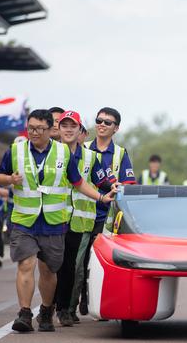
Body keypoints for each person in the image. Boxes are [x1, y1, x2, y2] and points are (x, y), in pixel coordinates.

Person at [0, 109, 117, 333]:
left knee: (49, 271)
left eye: (39, 129)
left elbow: (78, 182)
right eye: (31, 128)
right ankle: (24, 313)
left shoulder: (63, 153)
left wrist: (101, 196)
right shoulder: (15, 150)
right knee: (26, 264)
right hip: (24, 220)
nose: (34, 132)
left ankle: (45, 310)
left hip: (53, 222)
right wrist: (9, 179)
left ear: (50, 129)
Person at [53, 110, 116, 326]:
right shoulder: (51, 153)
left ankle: (66, 309)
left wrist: (113, 188)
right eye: (64, 125)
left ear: (81, 131)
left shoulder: (91, 157)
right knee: (54, 266)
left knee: (75, 268)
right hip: (53, 220)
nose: (69, 130)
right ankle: (52, 305)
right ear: (58, 129)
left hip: (80, 223)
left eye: (73, 126)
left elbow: (103, 181)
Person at [78, 107, 135, 315]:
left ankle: (89, 300)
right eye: (99, 120)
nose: (101, 125)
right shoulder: (81, 147)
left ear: (116, 128)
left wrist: (117, 185)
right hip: (79, 214)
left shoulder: (120, 153)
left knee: (97, 261)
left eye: (107, 122)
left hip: (106, 217)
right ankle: (69, 303)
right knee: (77, 262)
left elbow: (129, 183)